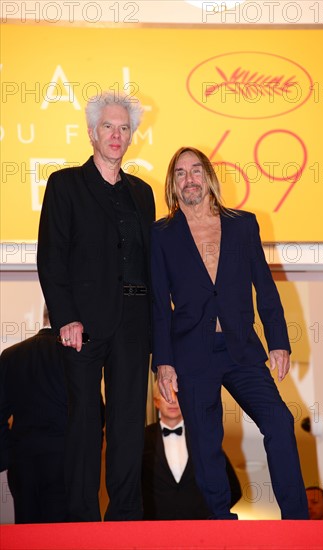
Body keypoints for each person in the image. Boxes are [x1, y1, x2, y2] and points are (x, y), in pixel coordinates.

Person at [150, 147, 309, 520]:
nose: (189, 179)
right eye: (180, 174)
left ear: (208, 176)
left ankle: (298, 520)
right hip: (191, 353)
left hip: (241, 349)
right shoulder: (161, 234)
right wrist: (164, 362)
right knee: (206, 443)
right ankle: (222, 522)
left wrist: (279, 342)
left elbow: (265, 289)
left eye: (195, 171)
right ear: (173, 185)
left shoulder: (243, 224)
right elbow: (158, 304)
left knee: (279, 422)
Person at [37, 92, 155, 522]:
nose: (116, 135)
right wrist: (65, 317)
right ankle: (81, 520)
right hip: (82, 325)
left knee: (127, 426)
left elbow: (149, 265)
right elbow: (51, 257)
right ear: (91, 133)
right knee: (85, 422)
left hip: (134, 324)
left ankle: (125, 519)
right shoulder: (65, 185)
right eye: (108, 126)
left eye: (124, 128)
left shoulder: (142, 193)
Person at [0, 305, 68, 523]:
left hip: (22, 464)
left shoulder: (11, 355)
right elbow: (95, 412)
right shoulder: (78, 357)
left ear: (43, 317)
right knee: (62, 539)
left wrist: (8, 458)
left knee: (26, 534)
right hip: (64, 462)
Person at [142, 381, 242, 519]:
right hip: (154, 532)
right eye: (166, 394)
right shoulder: (142, 438)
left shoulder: (204, 437)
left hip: (199, 533)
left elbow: (233, 488)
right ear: (156, 402)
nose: (173, 400)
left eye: (177, 394)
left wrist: (207, 514)